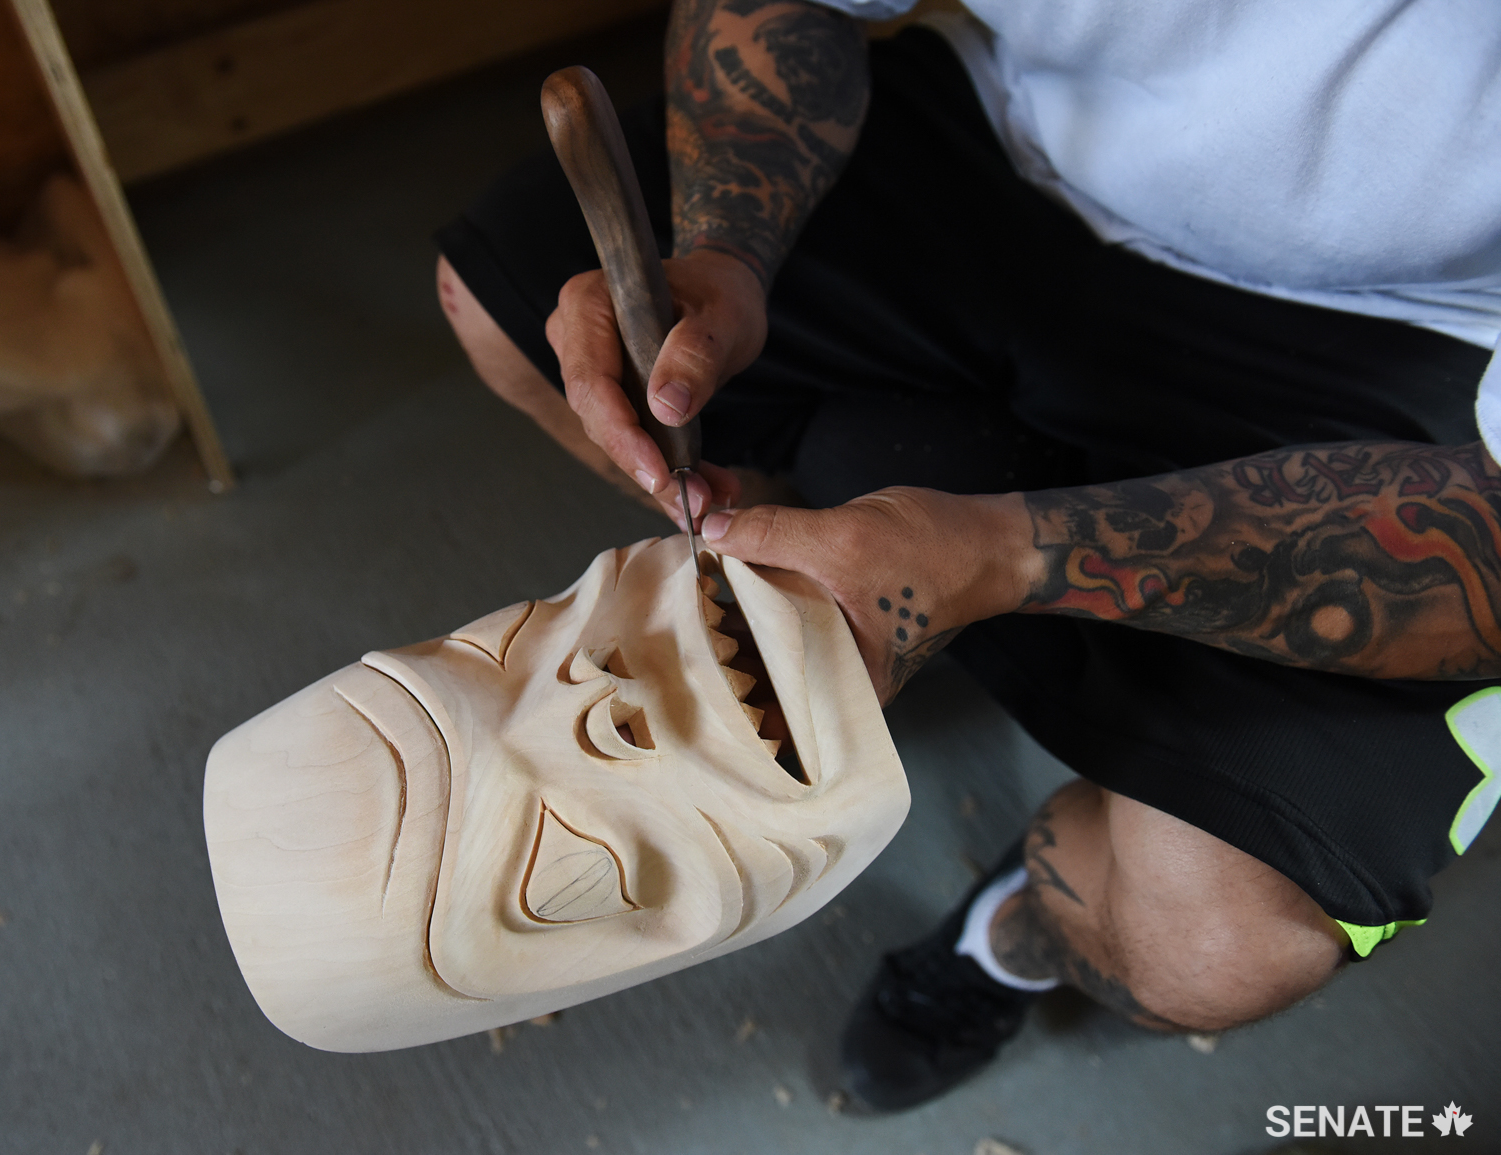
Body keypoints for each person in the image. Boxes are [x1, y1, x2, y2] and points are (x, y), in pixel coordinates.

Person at [433, 0, 1501, 1111]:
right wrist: (725, 248)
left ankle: (1013, 933)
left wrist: (999, 555)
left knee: (1219, 947)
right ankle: (795, 595)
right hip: (1014, 146)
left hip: (1427, 343)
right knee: (497, 299)